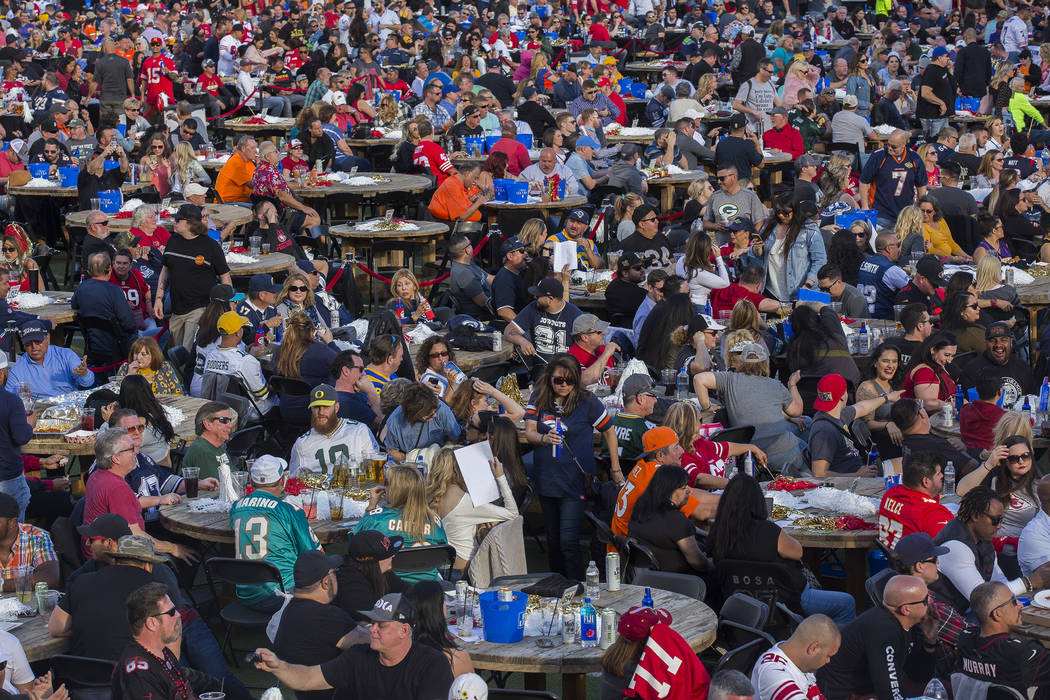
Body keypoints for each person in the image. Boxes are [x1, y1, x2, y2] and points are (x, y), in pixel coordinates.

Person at [707, 474, 856, 625]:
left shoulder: (718, 531)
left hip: (739, 603)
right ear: (757, 502)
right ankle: (835, 646)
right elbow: (798, 552)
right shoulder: (768, 531)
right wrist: (771, 525)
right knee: (846, 603)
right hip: (787, 601)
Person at [250, 592, 454, 699]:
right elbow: (308, 679)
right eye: (372, 623)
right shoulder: (358, 657)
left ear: (404, 631)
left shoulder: (432, 665)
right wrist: (279, 666)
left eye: (381, 626)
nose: (372, 630)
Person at [526, 355, 620, 579]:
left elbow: (609, 431)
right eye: (559, 380)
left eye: (569, 380)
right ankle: (556, 587)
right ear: (550, 378)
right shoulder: (539, 396)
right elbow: (529, 431)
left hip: (575, 481)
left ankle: (577, 588)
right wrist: (543, 439)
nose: (564, 385)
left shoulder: (587, 401)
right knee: (554, 541)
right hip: (547, 478)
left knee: (569, 541)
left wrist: (615, 469)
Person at [51, 534, 175, 662]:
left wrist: (93, 628)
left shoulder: (82, 581)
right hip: (132, 676)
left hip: (82, 677)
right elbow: (170, 638)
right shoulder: (156, 590)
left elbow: (56, 628)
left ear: (115, 560)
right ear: (147, 566)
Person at [814, 574, 936, 699]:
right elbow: (887, 692)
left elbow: (918, 676)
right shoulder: (883, 632)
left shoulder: (910, 623)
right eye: (925, 600)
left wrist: (930, 642)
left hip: (870, 689)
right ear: (906, 609)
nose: (931, 602)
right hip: (843, 695)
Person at [933, 487, 1050, 616]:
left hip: (964, 613)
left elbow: (998, 582)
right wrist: (1029, 582)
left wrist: (1013, 601)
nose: (999, 526)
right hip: (944, 621)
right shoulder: (955, 547)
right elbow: (981, 598)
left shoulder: (981, 537)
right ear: (975, 516)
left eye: (1001, 520)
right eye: (995, 520)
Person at [694, 343, 807, 474]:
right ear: (765, 363)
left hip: (752, 454)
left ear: (742, 362)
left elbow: (698, 379)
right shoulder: (775, 384)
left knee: (801, 433)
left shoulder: (729, 379)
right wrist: (792, 384)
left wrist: (707, 407)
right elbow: (797, 411)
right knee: (807, 426)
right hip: (783, 453)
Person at [230, 456, 321, 613]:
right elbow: (311, 554)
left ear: (251, 481)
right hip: (282, 594)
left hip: (245, 593)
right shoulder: (289, 510)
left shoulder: (236, 507)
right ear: (282, 481)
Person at [112, 581, 224, 700]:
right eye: (171, 612)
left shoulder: (161, 652)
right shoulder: (138, 675)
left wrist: (219, 686)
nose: (178, 615)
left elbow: (185, 679)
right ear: (152, 623)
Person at [272, 549, 358, 700]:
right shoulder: (328, 617)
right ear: (325, 582)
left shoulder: (288, 611)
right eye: (334, 573)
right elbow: (372, 643)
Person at [154, 205, 233, 350]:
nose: (174, 222)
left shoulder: (210, 246)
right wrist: (159, 298)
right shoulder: (172, 241)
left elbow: (225, 276)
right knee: (178, 352)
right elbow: (165, 271)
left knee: (187, 351)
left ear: (189, 223)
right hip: (176, 310)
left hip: (200, 308)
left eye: (177, 219)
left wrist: (228, 304)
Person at [427, 448, 518, 573]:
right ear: (459, 469)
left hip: (438, 565)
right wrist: (500, 477)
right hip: (463, 568)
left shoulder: (430, 495)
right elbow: (513, 512)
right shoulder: (465, 501)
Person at [955, 580, 1050, 698]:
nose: (1020, 605)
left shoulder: (966, 641)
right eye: (1014, 602)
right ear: (997, 614)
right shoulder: (1021, 652)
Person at [355, 465, 448, 583]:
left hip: (387, 587)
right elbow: (444, 559)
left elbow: (355, 544)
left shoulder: (376, 519)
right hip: (428, 589)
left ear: (395, 490)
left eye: (387, 483)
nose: (385, 486)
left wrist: (371, 506)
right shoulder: (435, 521)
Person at [806, 373, 899, 478]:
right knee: (911, 465)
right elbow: (819, 474)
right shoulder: (823, 430)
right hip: (855, 482)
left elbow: (862, 407)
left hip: (862, 471)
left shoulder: (837, 414)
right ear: (842, 396)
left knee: (909, 462)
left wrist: (888, 397)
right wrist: (856, 475)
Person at [628, 465, 712, 574]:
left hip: (651, 578)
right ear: (668, 491)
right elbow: (699, 563)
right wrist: (718, 564)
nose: (688, 491)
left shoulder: (640, 508)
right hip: (683, 582)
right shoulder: (676, 520)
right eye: (683, 488)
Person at [289, 384, 379, 477]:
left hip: (356, 488)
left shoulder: (359, 431)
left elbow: (375, 469)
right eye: (316, 407)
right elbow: (294, 481)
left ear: (336, 407)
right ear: (311, 409)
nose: (321, 412)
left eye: (326, 407)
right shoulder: (302, 444)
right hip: (318, 491)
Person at [753, 194, 826, 302]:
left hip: (801, 293)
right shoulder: (769, 225)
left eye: (786, 213)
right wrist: (757, 250)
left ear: (796, 210)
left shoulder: (809, 228)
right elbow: (759, 256)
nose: (781, 215)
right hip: (771, 293)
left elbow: (820, 260)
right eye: (778, 211)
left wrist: (808, 284)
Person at [751, 615, 841, 700]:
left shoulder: (800, 663)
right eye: (828, 656)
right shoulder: (773, 670)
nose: (828, 661)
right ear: (813, 648)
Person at [878, 452, 954, 548]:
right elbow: (951, 549)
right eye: (938, 474)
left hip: (892, 558)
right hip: (918, 561)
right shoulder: (932, 513)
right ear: (926, 481)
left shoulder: (891, 493)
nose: (942, 476)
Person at [403, 580, 475, 677]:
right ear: (440, 608)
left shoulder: (399, 653)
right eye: (444, 600)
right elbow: (471, 691)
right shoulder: (457, 658)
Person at [504, 278, 583, 365]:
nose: (535, 297)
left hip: (566, 367)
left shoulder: (575, 315)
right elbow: (508, 330)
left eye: (538, 296)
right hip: (540, 367)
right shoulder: (533, 307)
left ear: (550, 299)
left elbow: (586, 346)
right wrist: (522, 341)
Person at [5, 320, 92, 400]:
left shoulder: (66, 355)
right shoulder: (16, 370)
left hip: (70, 405)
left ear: (48, 338)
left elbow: (88, 383)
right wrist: (21, 397)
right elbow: (9, 399)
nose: (34, 347)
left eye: (38, 342)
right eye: (28, 344)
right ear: (23, 345)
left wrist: (84, 374)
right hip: (39, 411)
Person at [859, 130, 927, 229]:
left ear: (904, 144)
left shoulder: (914, 158)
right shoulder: (878, 156)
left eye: (894, 147)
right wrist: (865, 206)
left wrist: (921, 208)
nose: (890, 149)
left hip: (906, 213)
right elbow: (864, 181)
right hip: (881, 212)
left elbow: (921, 185)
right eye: (888, 145)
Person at [959, 322, 1033, 406]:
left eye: (1004, 340)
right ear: (985, 343)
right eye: (992, 341)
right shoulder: (972, 370)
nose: (998, 345)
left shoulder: (1022, 367)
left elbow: (1032, 400)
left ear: (1011, 342)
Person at [383, 383, 461, 462]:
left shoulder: (442, 409)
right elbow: (392, 452)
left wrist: (440, 457)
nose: (435, 415)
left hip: (438, 459)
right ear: (413, 414)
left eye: (435, 410)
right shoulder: (394, 421)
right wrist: (410, 459)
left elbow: (453, 439)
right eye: (429, 415)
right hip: (408, 461)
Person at [901, 331, 958, 413]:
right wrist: (956, 405)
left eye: (952, 356)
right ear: (933, 350)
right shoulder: (924, 372)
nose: (949, 361)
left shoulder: (937, 366)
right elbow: (928, 404)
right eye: (947, 355)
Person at [180, 401, 234, 481]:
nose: (230, 425)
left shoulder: (216, 446)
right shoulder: (202, 452)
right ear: (208, 424)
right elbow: (212, 490)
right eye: (224, 420)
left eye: (230, 420)